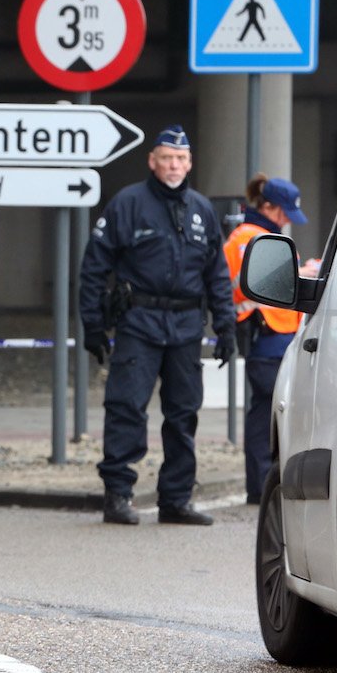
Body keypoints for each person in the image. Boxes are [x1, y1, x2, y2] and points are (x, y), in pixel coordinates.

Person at [79, 125, 235, 526]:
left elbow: (217, 274)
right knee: (126, 409)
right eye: (166, 157)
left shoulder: (201, 209)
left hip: (185, 326)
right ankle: (117, 495)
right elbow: (95, 269)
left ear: (189, 163)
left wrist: (226, 325)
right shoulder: (128, 204)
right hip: (139, 323)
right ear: (152, 161)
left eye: (181, 158)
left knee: (183, 414)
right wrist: (93, 325)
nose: (174, 165)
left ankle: (176, 499)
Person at [223, 175, 316, 504]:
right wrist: (304, 273)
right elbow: (260, 283)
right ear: (268, 206)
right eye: (285, 212)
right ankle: (261, 487)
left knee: (267, 411)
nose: (288, 218)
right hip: (266, 336)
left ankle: (264, 486)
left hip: (274, 335)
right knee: (266, 413)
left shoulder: (261, 235)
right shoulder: (250, 238)